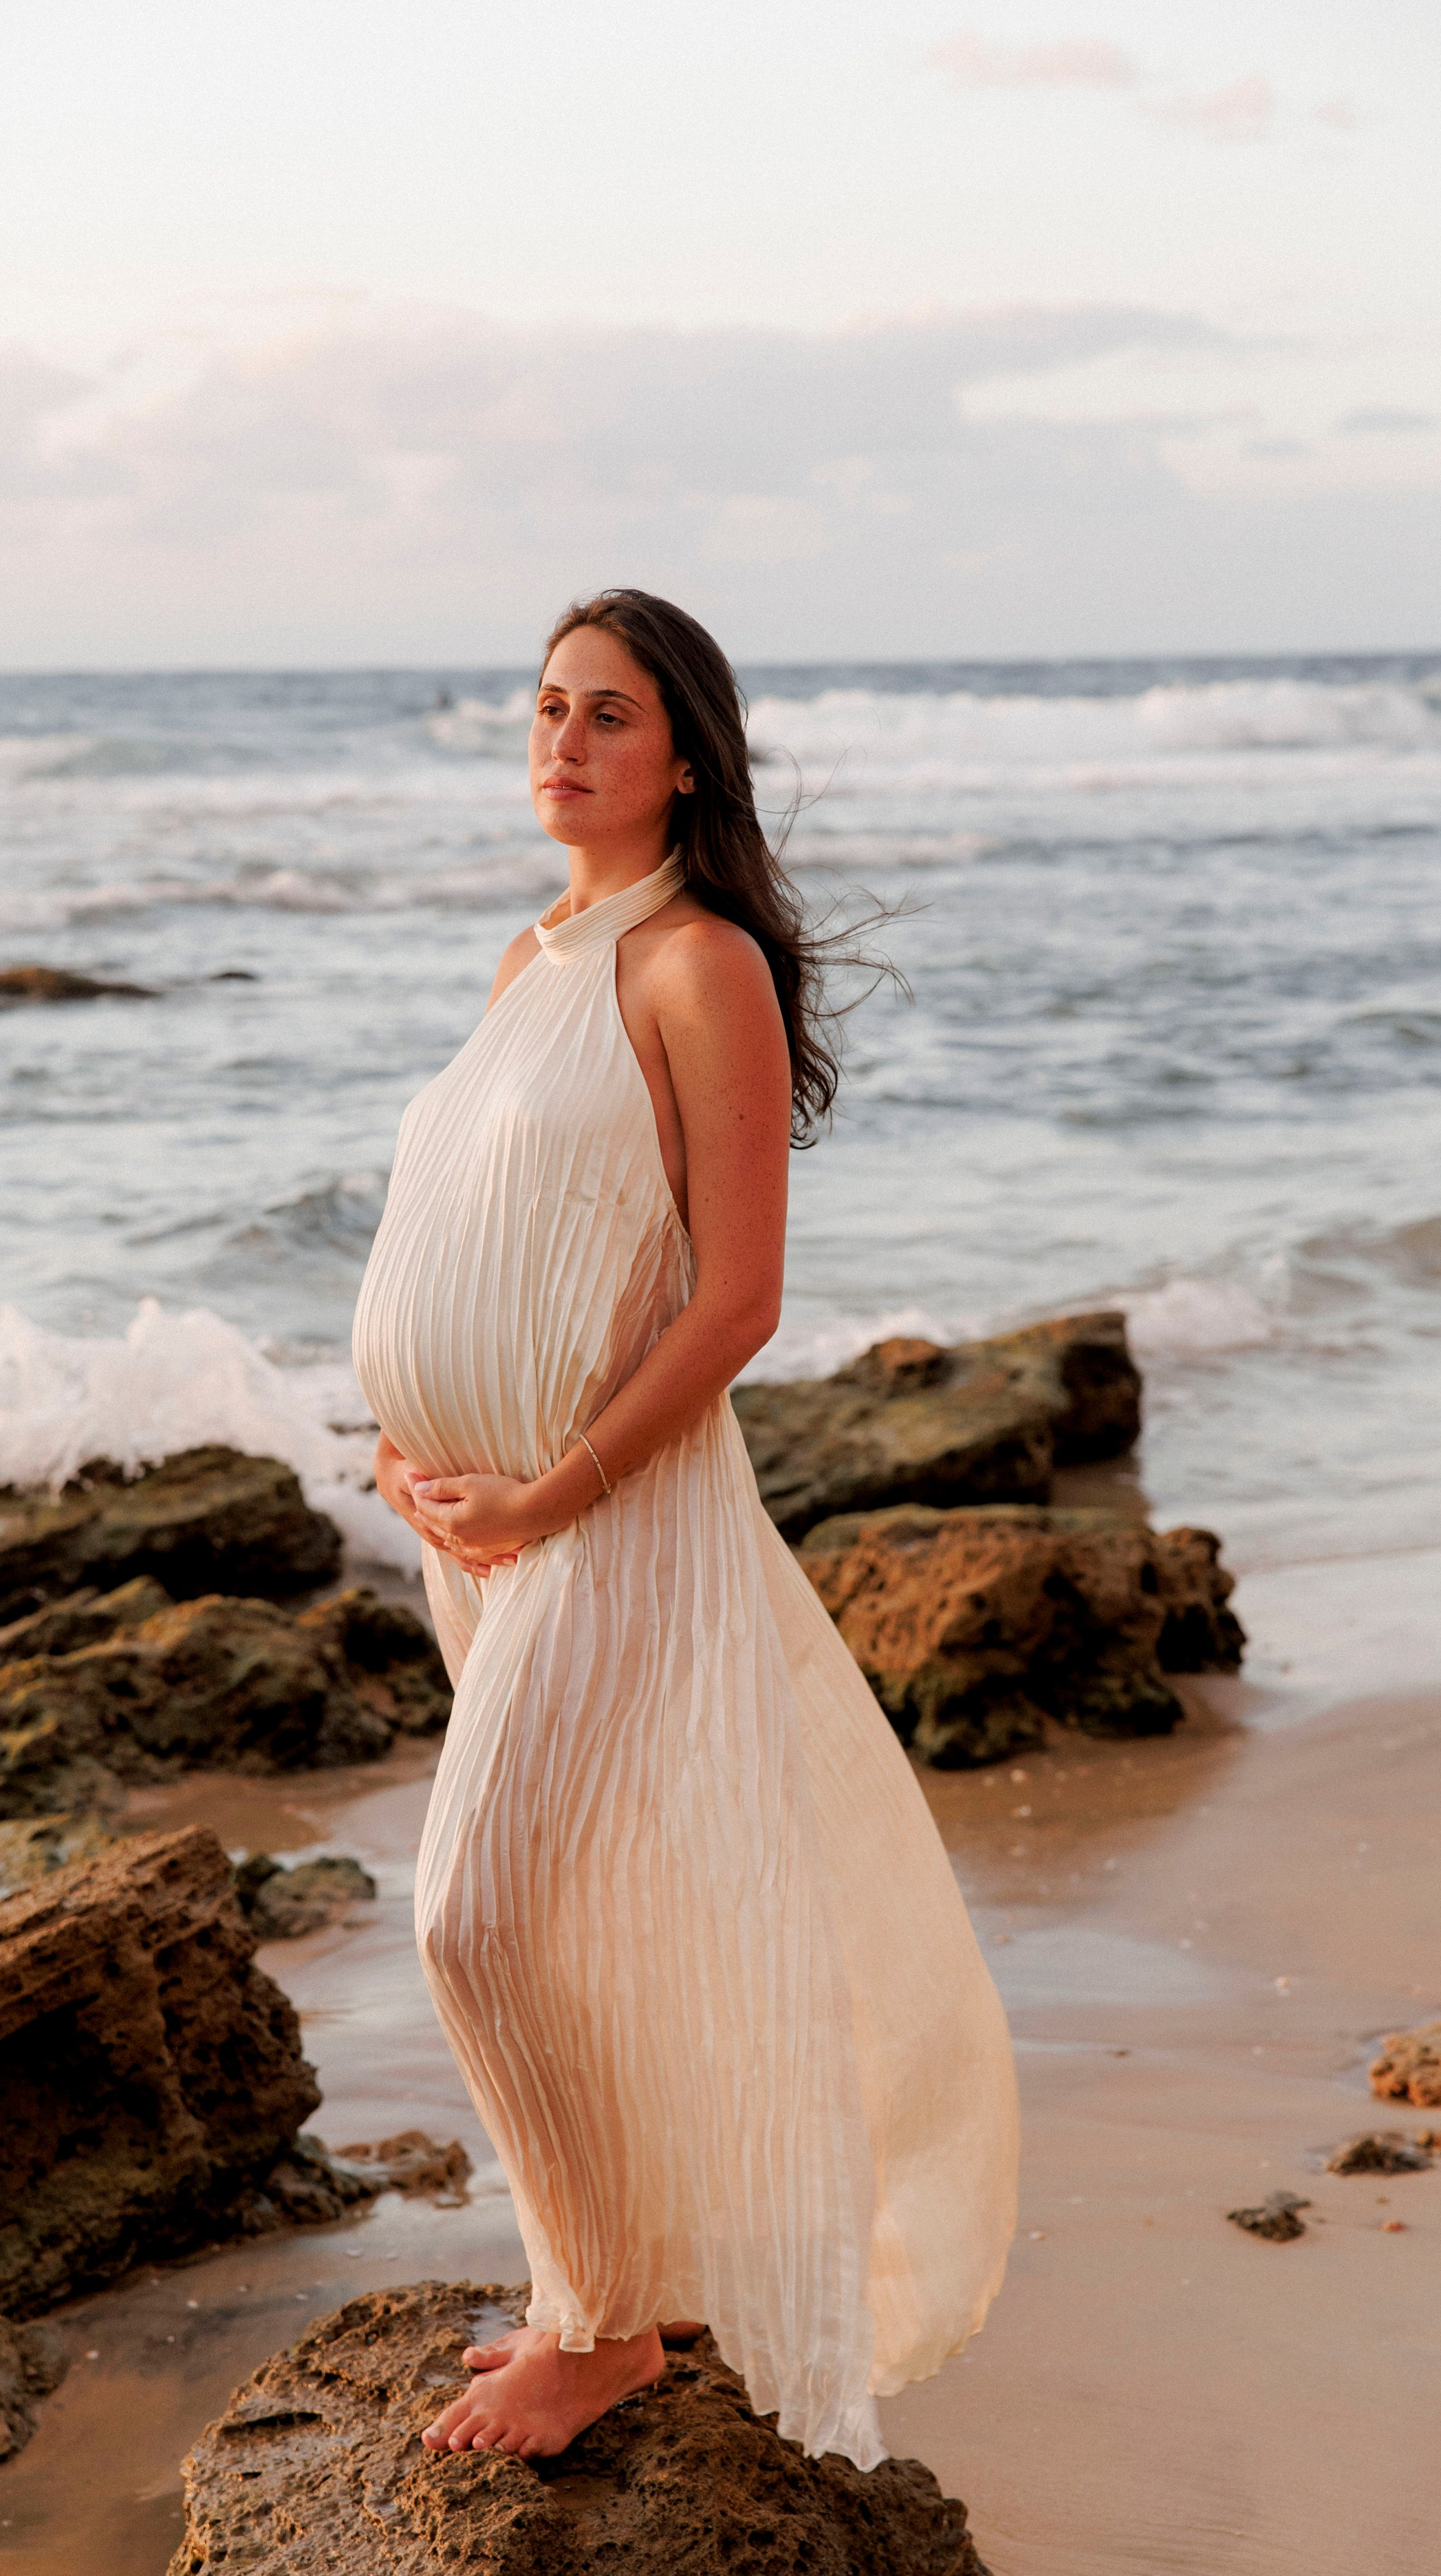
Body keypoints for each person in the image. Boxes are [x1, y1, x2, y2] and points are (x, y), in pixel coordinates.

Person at [351, 589, 1018, 2468]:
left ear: (686, 755)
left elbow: (734, 1304)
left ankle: (598, 2327)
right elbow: (472, 1233)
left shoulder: (692, 961)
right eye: (547, 707)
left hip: (607, 1524)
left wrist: (551, 1490)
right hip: (476, 1525)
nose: (561, 740)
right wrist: (407, 1453)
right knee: (557, 1915)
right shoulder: (536, 953)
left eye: (609, 714)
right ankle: (608, 2282)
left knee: (473, 1914)